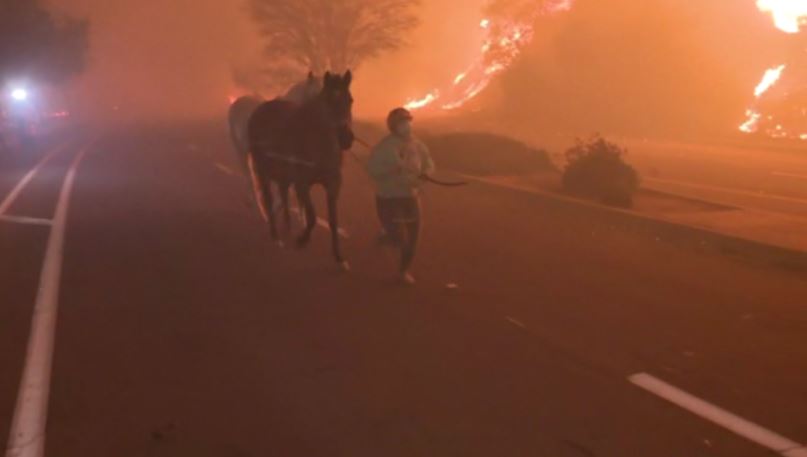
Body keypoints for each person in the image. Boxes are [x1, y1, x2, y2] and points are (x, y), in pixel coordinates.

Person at [367, 107, 435, 285]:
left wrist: (426, 172)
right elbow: (372, 170)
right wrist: (391, 170)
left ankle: (403, 271)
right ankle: (388, 235)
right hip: (389, 199)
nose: (406, 127)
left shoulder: (417, 145)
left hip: (411, 197)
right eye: (401, 123)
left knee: (414, 237)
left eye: (407, 122)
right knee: (400, 238)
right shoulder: (384, 148)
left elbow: (429, 162)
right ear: (393, 126)